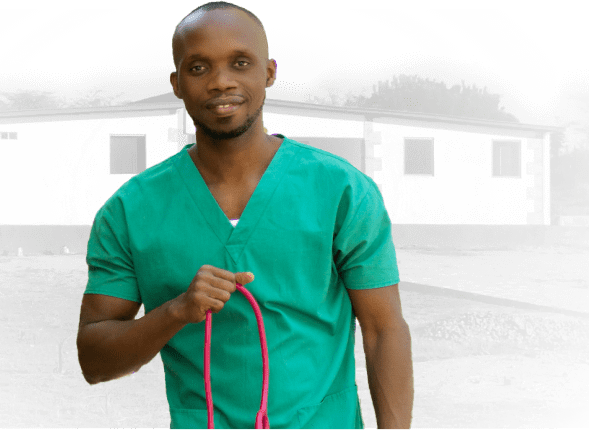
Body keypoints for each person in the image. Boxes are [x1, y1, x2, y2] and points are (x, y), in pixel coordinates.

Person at [76, 2, 413, 428]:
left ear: (268, 72)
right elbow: (95, 361)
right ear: (177, 83)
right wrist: (175, 311)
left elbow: (384, 331)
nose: (221, 82)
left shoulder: (341, 190)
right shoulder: (129, 210)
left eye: (240, 63)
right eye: (198, 68)